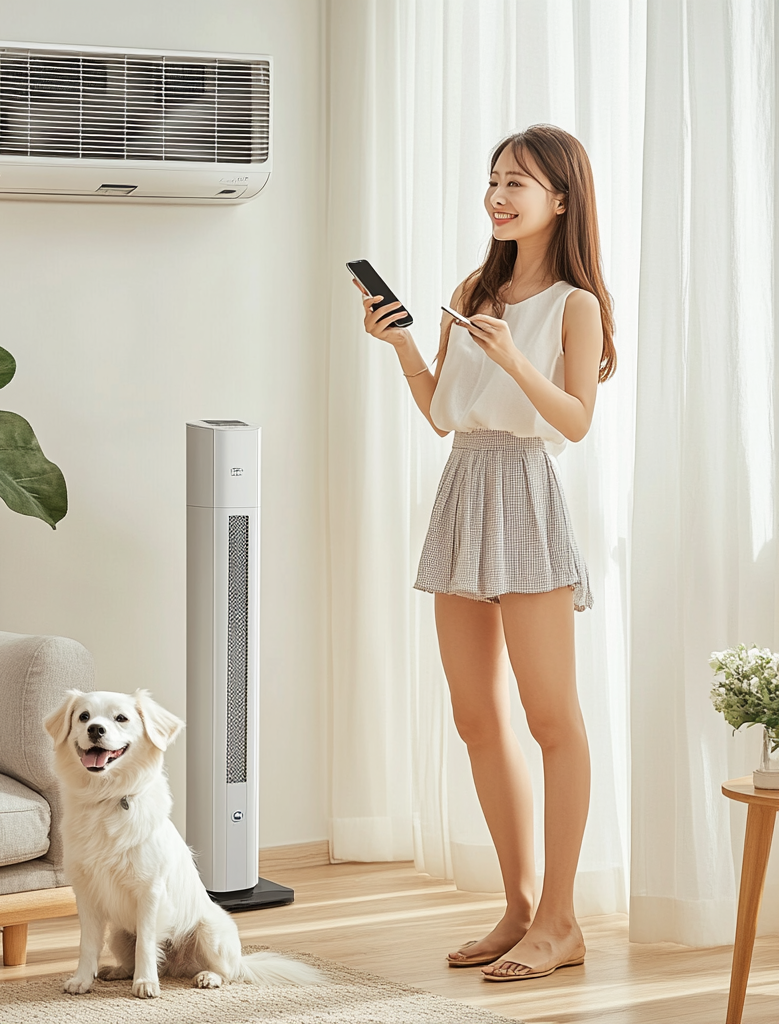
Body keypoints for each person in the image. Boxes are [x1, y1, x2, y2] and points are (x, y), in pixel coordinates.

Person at [355, 124, 615, 982]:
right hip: (463, 491)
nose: (499, 197)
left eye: (519, 185)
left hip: (526, 495)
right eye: (494, 181)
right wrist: (398, 343)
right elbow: (442, 413)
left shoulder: (575, 304)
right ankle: (517, 906)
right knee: (475, 718)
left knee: (553, 719)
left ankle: (562, 920)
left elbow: (573, 423)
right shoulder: (475, 287)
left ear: (561, 200)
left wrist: (514, 362)